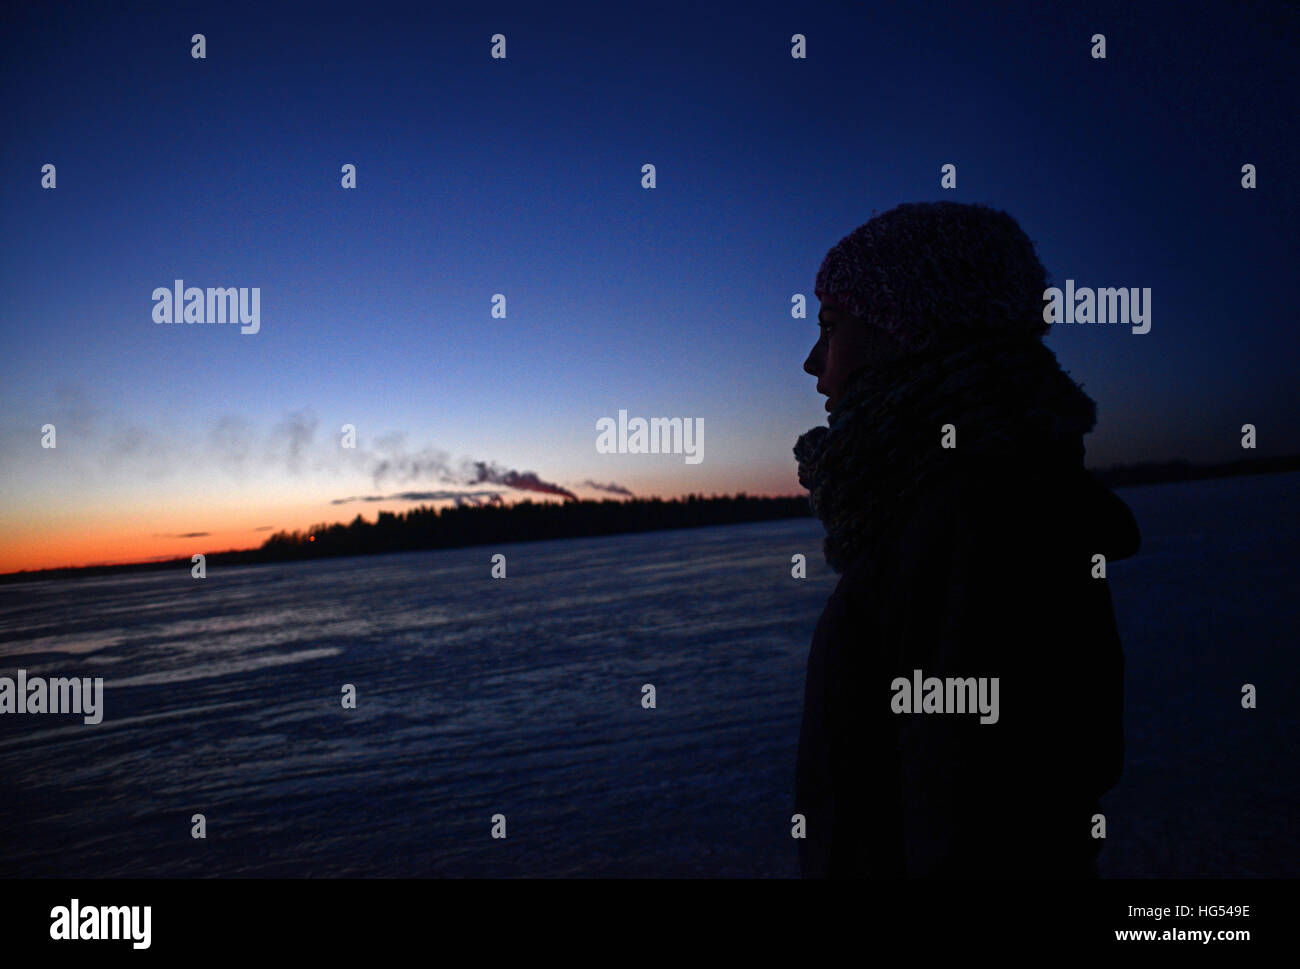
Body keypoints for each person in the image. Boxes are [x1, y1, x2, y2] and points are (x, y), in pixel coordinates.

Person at [793, 201, 1141, 878]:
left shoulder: (979, 525)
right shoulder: (940, 506)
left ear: (910, 331)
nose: (813, 364)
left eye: (830, 327)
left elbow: (985, 837)